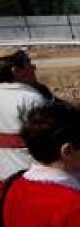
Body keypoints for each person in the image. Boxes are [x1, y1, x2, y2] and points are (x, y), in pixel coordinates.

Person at [0, 49, 51, 178]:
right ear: (16, 71)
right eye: (28, 63)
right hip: (32, 175)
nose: (34, 67)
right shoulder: (31, 99)